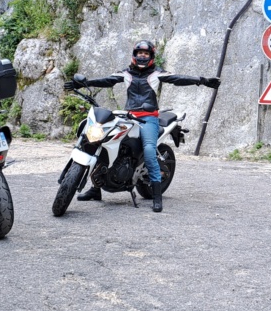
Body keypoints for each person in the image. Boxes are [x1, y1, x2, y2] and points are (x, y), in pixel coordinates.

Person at [67, 40, 219, 213]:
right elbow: (106, 81)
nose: (142, 56)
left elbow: (178, 78)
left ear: (151, 56)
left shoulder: (157, 74)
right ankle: (96, 189)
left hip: (149, 119)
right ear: (134, 54)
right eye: (139, 53)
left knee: (148, 151)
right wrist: (83, 83)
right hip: (128, 116)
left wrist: (202, 80)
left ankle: (156, 195)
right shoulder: (125, 73)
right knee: (102, 142)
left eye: (146, 54)